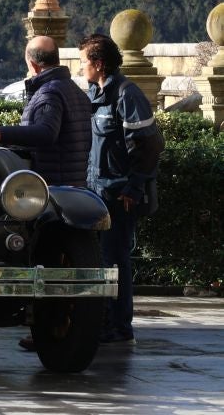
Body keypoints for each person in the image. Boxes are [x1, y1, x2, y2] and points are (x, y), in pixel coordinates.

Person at [79, 33, 164, 345]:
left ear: (99, 64)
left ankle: (119, 327)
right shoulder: (96, 92)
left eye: (84, 62)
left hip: (119, 195)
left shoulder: (127, 94)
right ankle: (104, 322)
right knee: (101, 261)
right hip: (97, 192)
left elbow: (152, 145)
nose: (81, 68)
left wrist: (133, 187)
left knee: (116, 261)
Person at [0, 36, 91, 187]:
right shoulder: (75, 90)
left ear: (32, 65)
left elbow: (46, 132)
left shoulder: (49, 92)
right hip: (75, 184)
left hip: (51, 188)